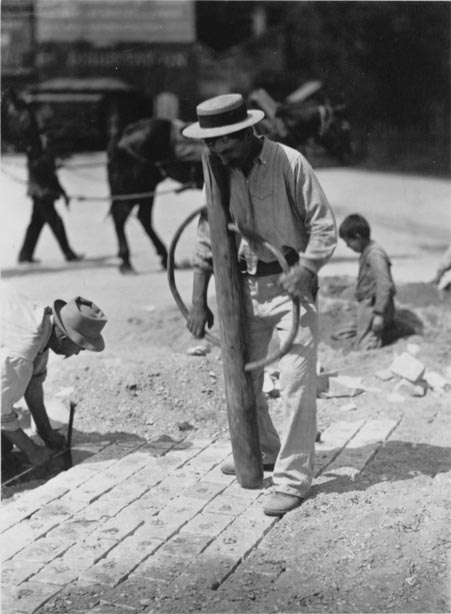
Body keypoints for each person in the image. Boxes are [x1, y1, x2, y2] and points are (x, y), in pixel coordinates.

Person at [182, 94, 337, 516]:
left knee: (295, 383)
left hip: (291, 290)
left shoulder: (289, 163)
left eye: (224, 141)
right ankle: (264, 449)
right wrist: (198, 299)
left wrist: (306, 267)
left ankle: (292, 480)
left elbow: (324, 226)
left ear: (247, 131)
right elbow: (207, 236)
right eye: (210, 142)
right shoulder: (217, 170)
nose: (217, 149)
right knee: (242, 379)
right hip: (241, 291)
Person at [1, 283, 107, 467]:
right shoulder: (23, 350)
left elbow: (33, 384)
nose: (77, 353)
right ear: (64, 339)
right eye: (80, 347)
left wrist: (45, 431)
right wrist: (33, 452)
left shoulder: (44, 327)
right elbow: (1, 413)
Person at [17, 129, 83, 264]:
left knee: (36, 225)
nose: (47, 139)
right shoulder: (35, 152)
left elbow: (52, 176)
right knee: (56, 222)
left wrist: (63, 192)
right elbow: (37, 169)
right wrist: (52, 164)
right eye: (45, 136)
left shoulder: (46, 152)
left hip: (43, 194)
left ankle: (25, 255)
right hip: (41, 194)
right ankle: (68, 254)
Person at [338, 214, 396, 350]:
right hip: (367, 304)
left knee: (363, 347)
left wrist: (379, 314)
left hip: (375, 306)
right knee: (343, 333)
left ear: (358, 237)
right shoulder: (367, 251)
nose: (347, 246)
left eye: (348, 242)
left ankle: (391, 330)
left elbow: (384, 284)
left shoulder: (375, 254)